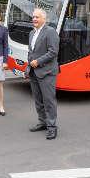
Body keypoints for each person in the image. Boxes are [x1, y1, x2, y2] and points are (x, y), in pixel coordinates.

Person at [26, 8, 60, 139]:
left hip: (47, 72)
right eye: (33, 17)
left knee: (49, 100)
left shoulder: (50, 32)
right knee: (38, 100)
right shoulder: (31, 33)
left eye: (37, 17)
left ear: (44, 19)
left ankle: (52, 127)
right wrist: (28, 67)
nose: (34, 19)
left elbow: (53, 52)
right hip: (34, 72)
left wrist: (38, 62)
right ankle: (42, 122)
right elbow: (31, 52)